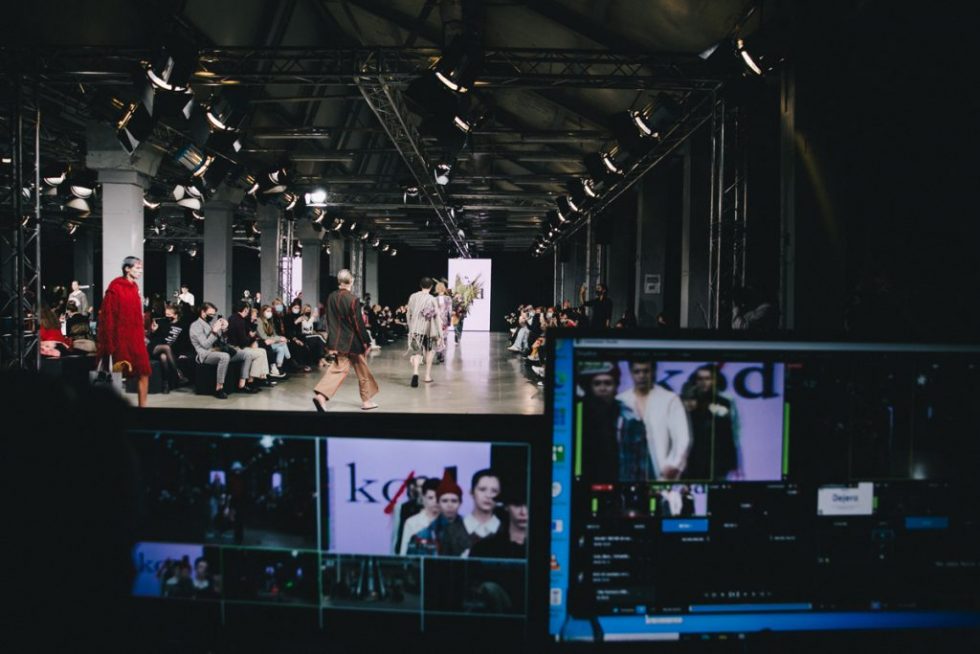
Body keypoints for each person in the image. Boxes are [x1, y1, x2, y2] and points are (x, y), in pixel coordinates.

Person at [313, 268, 379, 411]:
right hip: (353, 342)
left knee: (338, 370)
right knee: (363, 371)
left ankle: (321, 396)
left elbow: (330, 320)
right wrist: (366, 341)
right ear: (351, 281)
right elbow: (358, 323)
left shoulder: (331, 297)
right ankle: (366, 401)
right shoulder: (353, 299)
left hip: (337, 341)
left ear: (339, 281)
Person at [617, 359, 691, 480]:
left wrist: (674, 464)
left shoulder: (669, 399)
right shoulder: (621, 399)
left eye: (646, 371)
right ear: (630, 372)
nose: (641, 376)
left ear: (654, 372)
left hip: (658, 469)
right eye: (637, 371)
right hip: (627, 466)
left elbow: (682, 436)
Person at [578, 362, 653, 481]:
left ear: (616, 385)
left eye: (608, 383)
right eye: (597, 384)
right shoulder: (578, 414)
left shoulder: (629, 418)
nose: (602, 388)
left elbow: (641, 461)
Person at [98, 256, 152, 407]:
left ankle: (143, 408)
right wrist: (109, 342)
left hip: (136, 338)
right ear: (127, 269)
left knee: (144, 372)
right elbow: (108, 316)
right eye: (137, 268)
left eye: (141, 268)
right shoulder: (115, 287)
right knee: (118, 374)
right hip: (121, 338)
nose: (140, 271)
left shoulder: (134, 287)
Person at [189, 302, 261, 398]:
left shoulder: (209, 324)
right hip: (205, 354)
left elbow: (221, 341)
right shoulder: (196, 326)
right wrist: (214, 332)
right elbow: (205, 345)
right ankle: (219, 388)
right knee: (225, 356)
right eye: (210, 314)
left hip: (217, 350)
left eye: (213, 315)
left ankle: (242, 384)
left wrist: (224, 329)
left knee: (247, 354)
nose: (212, 316)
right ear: (203, 312)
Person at [682, 364, 741, 480]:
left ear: (715, 380)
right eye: (700, 379)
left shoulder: (725, 402)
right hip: (692, 461)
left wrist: (733, 463)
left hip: (717, 461)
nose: (703, 382)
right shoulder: (687, 402)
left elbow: (730, 434)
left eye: (707, 379)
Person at [407, 471, 470, 557]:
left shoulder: (470, 528)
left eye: (454, 501)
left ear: (460, 503)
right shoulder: (423, 535)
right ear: (438, 502)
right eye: (445, 501)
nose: (449, 505)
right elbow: (411, 562)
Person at [469, 487, 528, 560]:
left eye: (529, 505)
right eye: (517, 505)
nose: (523, 512)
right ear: (506, 506)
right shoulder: (483, 549)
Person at [226, 301, 275, 388]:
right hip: (238, 348)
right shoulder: (240, 321)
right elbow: (243, 341)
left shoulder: (232, 318)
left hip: (236, 346)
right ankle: (251, 380)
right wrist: (251, 337)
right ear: (245, 309)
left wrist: (250, 336)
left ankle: (262, 377)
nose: (248, 313)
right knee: (260, 353)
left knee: (263, 351)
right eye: (248, 310)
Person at [406, 277, 443, 387]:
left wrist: (410, 327)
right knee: (429, 351)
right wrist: (440, 334)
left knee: (416, 352)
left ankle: (415, 372)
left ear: (420, 285)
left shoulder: (413, 296)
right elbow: (437, 317)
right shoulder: (432, 299)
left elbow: (408, 313)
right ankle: (427, 376)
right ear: (431, 287)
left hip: (415, 329)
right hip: (428, 330)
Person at [399, 478, 441, 555]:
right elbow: (404, 553)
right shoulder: (411, 522)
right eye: (430, 498)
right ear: (423, 498)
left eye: (438, 497)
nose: (435, 501)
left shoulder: (453, 522)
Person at [463, 470, 502, 548]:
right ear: (471, 492)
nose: (488, 495)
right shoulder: (451, 531)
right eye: (482, 489)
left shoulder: (506, 530)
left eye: (494, 491)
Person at [256, 304, 291, 378]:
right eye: (268, 311)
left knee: (281, 348)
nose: (270, 313)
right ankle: (288, 359)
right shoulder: (259, 321)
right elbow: (263, 336)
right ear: (263, 312)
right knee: (283, 343)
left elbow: (274, 334)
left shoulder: (270, 321)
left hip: (271, 342)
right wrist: (278, 339)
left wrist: (280, 337)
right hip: (264, 343)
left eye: (270, 311)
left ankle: (278, 367)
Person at [433, 282, 452, 364]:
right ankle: (442, 355)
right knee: (444, 338)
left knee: (437, 338)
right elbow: (450, 311)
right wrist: (449, 321)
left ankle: (438, 353)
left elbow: (433, 311)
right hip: (444, 321)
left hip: (437, 321)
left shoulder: (434, 299)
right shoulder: (448, 299)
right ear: (444, 289)